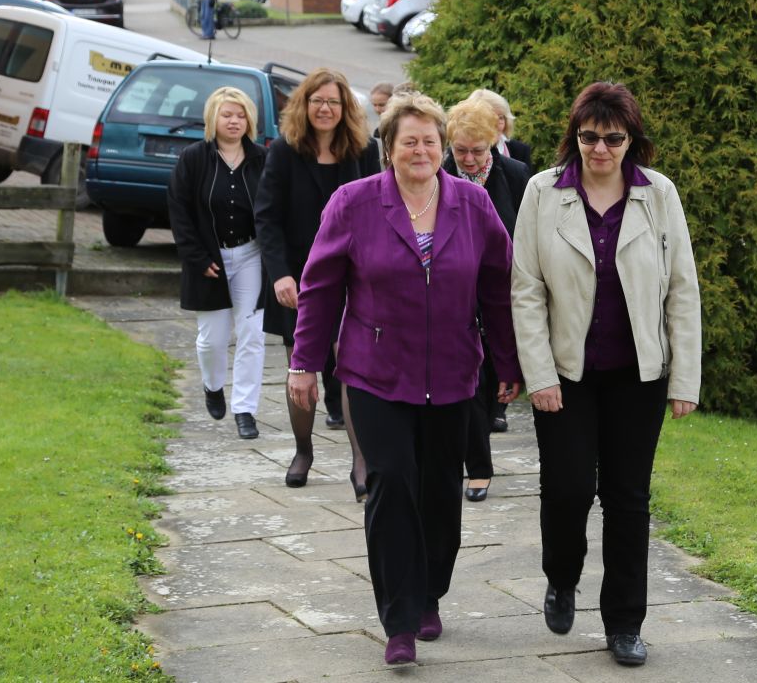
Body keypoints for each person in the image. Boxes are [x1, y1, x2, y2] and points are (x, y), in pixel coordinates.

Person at [290, 92, 524, 667]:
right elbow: (321, 287)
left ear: (443, 147)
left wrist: (511, 363)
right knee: (391, 483)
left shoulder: (473, 204)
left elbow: (498, 286)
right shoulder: (354, 203)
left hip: (453, 371)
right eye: (408, 141)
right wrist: (304, 363)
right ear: (388, 148)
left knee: (441, 492)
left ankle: (429, 593)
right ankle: (398, 618)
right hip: (375, 373)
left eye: (429, 141)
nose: (420, 150)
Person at [511, 81, 701, 668]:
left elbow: (682, 291)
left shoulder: (658, 195)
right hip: (565, 375)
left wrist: (683, 379)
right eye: (589, 137)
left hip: (637, 376)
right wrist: (538, 374)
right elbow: (526, 290)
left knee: (628, 499)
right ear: (575, 136)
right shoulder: (543, 192)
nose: (599, 149)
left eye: (612, 138)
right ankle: (561, 577)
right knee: (568, 489)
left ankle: (624, 623)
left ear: (631, 141)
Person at [255, 67, 381, 492]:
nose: (325, 108)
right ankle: (303, 450)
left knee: (350, 367)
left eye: (333, 101)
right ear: (304, 105)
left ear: (346, 108)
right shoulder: (284, 151)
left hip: (354, 278)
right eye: (317, 101)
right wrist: (280, 276)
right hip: (299, 281)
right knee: (302, 366)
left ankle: (361, 460)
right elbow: (267, 218)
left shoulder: (364, 151)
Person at [442, 96, 530, 502]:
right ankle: (478, 469)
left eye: (478, 150)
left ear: (494, 141)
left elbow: (528, 235)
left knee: (498, 373)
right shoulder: (441, 175)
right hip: (457, 293)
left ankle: (500, 407)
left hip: (505, 291)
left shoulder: (516, 175)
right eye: (461, 151)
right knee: (471, 383)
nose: (470, 160)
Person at [167, 86, 267, 440]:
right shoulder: (194, 158)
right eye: (227, 115)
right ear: (213, 118)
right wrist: (196, 257)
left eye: (241, 115)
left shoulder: (261, 159)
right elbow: (179, 211)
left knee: (252, 333)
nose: (235, 121)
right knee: (212, 340)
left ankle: (245, 410)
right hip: (210, 259)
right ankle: (212, 385)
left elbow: (272, 209)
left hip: (251, 256)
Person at [468, 88, 532, 166]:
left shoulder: (520, 151)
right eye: (490, 118)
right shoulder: (461, 153)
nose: (496, 124)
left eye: (501, 118)